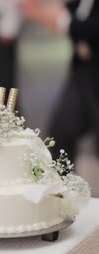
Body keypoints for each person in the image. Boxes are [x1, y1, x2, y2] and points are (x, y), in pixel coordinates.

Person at [19, 0, 99, 161]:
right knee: (61, 132)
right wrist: (45, 12)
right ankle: (63, 184)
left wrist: (62, 20)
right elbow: (82, 10)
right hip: (82, 72)